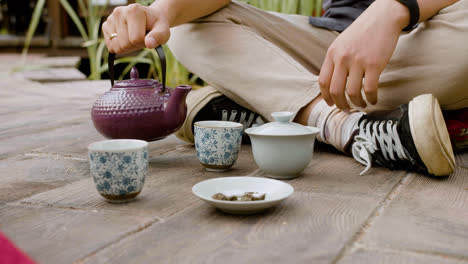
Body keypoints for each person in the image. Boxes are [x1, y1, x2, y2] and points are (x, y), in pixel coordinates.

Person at [102, 0, 468, 176]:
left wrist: (395, 8)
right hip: (328, 51)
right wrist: (161, 13)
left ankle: (268, 109)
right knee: (187, 27)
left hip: (426, 41)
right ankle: (346, 128)